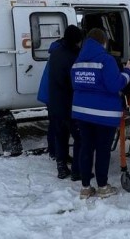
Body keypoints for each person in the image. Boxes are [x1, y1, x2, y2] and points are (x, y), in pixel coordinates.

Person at [71, 28, 130, 199]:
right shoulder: (106, 60)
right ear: (104, 42)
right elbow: (115, 85)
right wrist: (128, 72)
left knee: (86, 148)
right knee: (102, 150)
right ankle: (102, 187)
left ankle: (85, 188)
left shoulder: (78, 61)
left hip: (82, 113)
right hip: (104, 114)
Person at [47, 25, 83, 180]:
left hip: (55, 102)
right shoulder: (74, 56)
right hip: (70, 103)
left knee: (61, 135)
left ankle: (61, 166)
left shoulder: (55, 52)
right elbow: (74, 82)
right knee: (79, 137)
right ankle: (78, 170)